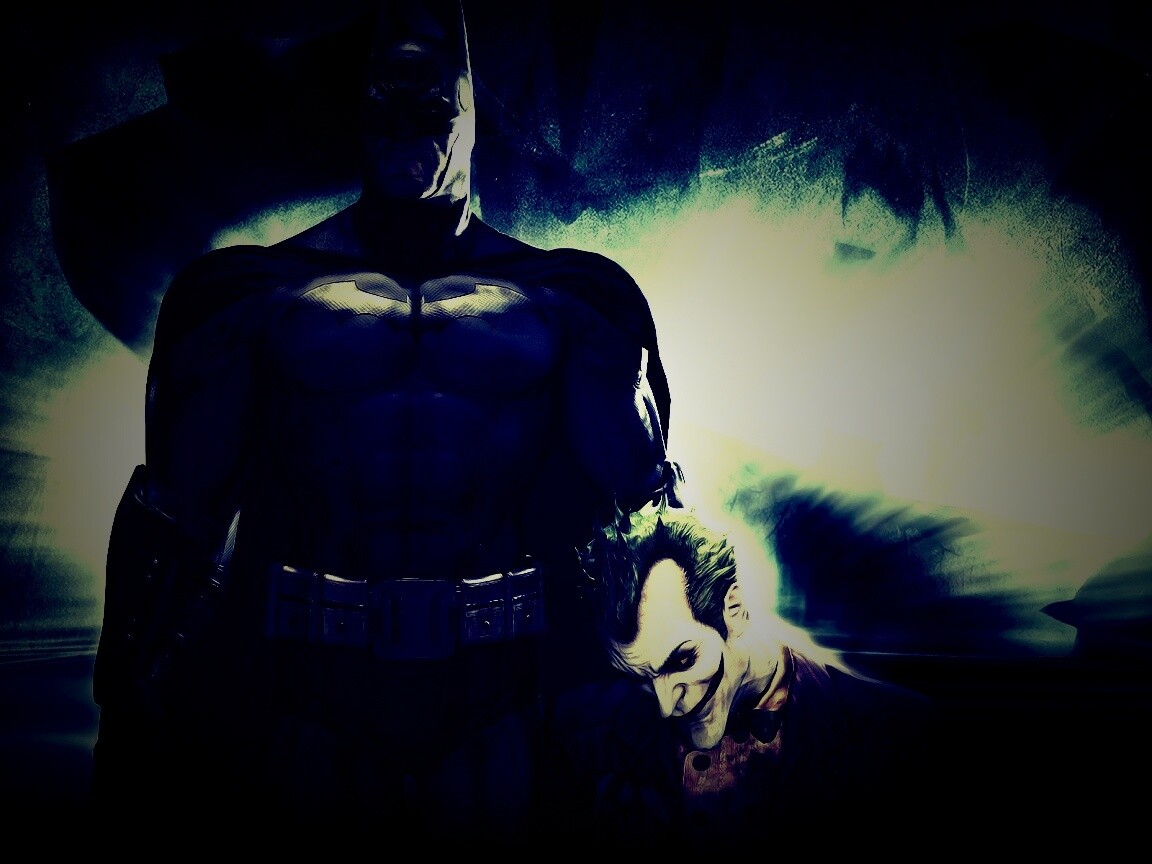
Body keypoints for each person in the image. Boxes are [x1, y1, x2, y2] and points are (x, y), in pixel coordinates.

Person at [90, 0, 681, 843]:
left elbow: (652, 527)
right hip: (315, 706)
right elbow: (173, 530)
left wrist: (663, 728)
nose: (405, 115)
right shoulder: (242, 298)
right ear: (354, 103)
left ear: (471, 101)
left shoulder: (579, 302)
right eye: (383, 97)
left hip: (498, 708)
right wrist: (128, 728)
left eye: (429, 100)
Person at [560, 503, 950, 848]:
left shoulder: (894, 733)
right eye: (641, 678)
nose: (665, 706)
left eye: (682, 660)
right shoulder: (581, 735)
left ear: (734, 608)